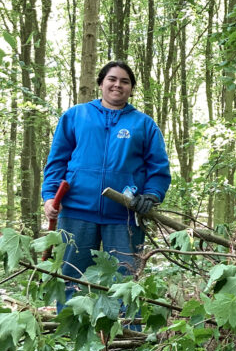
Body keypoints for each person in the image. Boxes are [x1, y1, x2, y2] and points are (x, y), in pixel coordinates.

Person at [41, 60, 171, 301]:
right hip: (76, 212)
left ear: (131, 88)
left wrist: (152, 195)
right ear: (101, 83)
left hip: (124, 215)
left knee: (124, 284)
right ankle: (70, 335)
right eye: (112, 79)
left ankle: (126, 335)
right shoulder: (75, 116)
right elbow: (57, 161)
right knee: (71, 279)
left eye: (125, 81)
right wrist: (49, 196)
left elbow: (158, 167)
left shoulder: (144, 124)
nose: (117, 85)